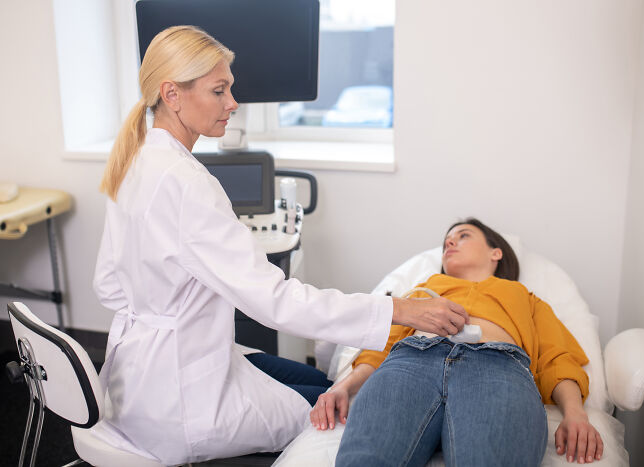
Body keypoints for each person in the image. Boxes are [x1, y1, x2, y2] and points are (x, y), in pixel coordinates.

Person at [91, 25, 468, 465]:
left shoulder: (134, 161)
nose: (233, 103)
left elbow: (108, 287)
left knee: (316, 380)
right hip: (181, 406)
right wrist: (400, 310)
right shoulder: (187, 183)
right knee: (340, 408)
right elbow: (275, 302)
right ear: (172, 95)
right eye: (219, 91)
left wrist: (178, 311)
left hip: (134, 381)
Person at [310, 218, 604, 466]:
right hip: (411, 362)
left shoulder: (523, 297)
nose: (450, 243)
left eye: (463, 236)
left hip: (497, 369)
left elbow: (557, 359)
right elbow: (383, 346)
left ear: (496, 253)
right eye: (447, 241)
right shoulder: (424, 290)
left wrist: (575, 414)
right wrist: (343, 387)